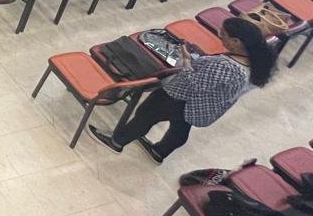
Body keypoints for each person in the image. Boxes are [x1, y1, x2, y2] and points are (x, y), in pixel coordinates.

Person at [91, 16, 275, 163]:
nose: (220, 35)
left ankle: (117, 141)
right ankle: (159, 152)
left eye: (223, 34)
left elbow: (195, 83)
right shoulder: (256, 62)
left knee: (145, 115)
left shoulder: (226, 66)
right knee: (180, 128)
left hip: (180, 97)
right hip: (204, 107)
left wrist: (187, 60)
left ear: (236, 41)